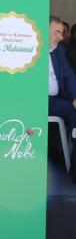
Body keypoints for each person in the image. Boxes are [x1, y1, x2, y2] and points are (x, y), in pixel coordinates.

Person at [49, 16, 76, 146]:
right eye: (57, 32)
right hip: (36, 101)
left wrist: (75, 96)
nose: (61, 37)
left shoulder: (59, 50)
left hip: (55, 100)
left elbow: (69, 75)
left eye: (62, 33)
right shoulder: (29, 51)